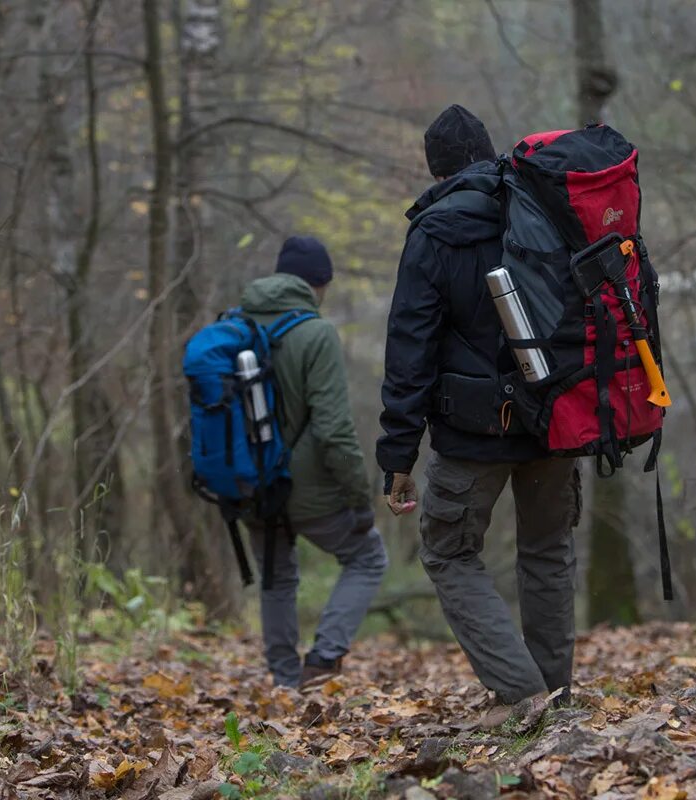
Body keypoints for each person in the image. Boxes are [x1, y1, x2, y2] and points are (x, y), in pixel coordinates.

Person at [377, 105, 580, 723]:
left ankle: (521, 694)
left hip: (473, 432)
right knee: (547, 549)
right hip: (554, 416)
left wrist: (398, 457)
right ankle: (554, 694)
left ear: (435, 170)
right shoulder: (545, 207)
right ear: (489, 153)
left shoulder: (435, 231)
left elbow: (410, 349)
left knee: (448, 552)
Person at [241, 236, 387, 688]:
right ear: (319, 284)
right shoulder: (316, 332)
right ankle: (323, 660)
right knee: (367, 555)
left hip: (247, 480)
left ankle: (285, 682)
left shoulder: (235, 324)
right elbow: (333, 430)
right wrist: (358, 497)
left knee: (277, 575)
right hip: (305, 486)